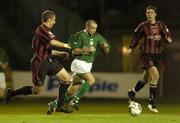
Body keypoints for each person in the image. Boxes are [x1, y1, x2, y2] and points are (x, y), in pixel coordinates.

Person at [4, 10, 73, 113]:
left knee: (67, 79)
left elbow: (48, 49)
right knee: (37, 90)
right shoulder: (42, 29)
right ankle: (12, 93)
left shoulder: (46, 32)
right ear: (49, 20)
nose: (55, 22)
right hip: (40, 63)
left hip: (48, 61)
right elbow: (53, 42)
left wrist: (60, 53)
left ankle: (60, 105)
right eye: (54, 20)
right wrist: (67, 45)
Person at [47, 19, 111, 114]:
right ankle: (75, 101)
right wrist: (85, 50)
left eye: (95, 28)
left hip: (88, 65)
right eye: (92, 28)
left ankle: (55, 104)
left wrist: (106, 48)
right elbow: (73, 51)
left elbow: (107, 49)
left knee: (72, 91)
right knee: (91, 80)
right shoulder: (79, 35)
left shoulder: (98, 37)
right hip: (79, 63)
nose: (94, 30)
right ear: (87, 27)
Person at [126, 5, 173, 113]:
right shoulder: (142, 26)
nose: (149, 14)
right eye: (147, 13)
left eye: (151, 12)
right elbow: (135, 37)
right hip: (146, 54)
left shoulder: (161, 25)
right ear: (146, 14)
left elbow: (167, 35)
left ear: (155, 14)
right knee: (155, 75)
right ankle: (152, 103)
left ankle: (132, 92)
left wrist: (168, 39)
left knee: (146, 79)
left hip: (157, 54)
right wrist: (131, 48)